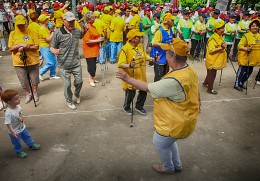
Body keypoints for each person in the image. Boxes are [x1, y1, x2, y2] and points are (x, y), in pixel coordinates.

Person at [116, 38, 199, 174]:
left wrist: (128, 79)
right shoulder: (189, 69)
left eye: (166, 52)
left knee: (160, 142)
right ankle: (177, 165)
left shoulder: (173, 80)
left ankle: (168, 167)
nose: (164, 53)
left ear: (172, 57)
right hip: (186, 117)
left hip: (174, 122)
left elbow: (148, 87)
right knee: (169, 142)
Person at [50, 12, 86, 110]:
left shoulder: (76, 31)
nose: (71, 23)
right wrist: (55, 51)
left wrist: (85, 30)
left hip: (76, 63)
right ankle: (69, 101)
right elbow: (51, 47)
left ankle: (77, 94)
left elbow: (81, 36)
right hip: (63, 64)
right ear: (64, 21)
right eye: (69, 21)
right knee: (67, 85)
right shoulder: (58, 33)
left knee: (79, 81)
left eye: (73, 21)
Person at [8, 14, 40, 103]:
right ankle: (27, 93)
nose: (21, 26)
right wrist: (20, 45)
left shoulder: (32, 31)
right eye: (18, 25)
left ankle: (34, 92)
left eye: (22, 24)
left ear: (25, 23)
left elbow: (37, 46)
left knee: (34, 79)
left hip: (32, 60)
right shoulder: (12, 33)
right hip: (19, 62)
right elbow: (10, 48)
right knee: (23, 80)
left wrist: (27, 47)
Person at [117, 29, 150, 116]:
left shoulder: (140, 46)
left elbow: (145, 56)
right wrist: (129, 65)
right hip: (131, 76)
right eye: (138, 37)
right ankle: (126, 107)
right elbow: (120, 64)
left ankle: (139, 107)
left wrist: (152, 59)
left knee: (144, 90)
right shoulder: (125, 49)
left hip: (141, 75)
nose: (140, 38)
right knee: (131, 93)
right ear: (132, 39)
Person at [1, 89, 40, 158]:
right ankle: (18, 151)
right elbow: (8, 124)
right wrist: (12, 132)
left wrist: (22, 121)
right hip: (15, 131)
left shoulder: (18, 107)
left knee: (27, 136)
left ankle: (31, 144)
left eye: (18, 98)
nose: (19, 100)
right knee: (17, 142)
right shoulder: (8, 113)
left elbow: (20, 114)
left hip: (22, 127)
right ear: (9, 102)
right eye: (16, 99)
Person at [234, 20, 260, 91]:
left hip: (253, 59)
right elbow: (239, 46)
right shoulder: (246, 36)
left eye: (256, 26)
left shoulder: (259, 36)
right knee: (241, 72)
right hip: (245, 58)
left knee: (249, 73)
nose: (255, 27)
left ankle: (241, 83)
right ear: (250, 27)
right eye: (253, 26)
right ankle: (237, 84)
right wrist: (246, 48)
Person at [203, 20, 227, 95]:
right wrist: (221, 47)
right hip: (212, 60)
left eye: (223, 27)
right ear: (216, 29)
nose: (223, 29)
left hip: (216, 60)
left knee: (210, 73)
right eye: (221, 28)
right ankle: (210, 89)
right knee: (212, 75)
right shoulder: (212, 39)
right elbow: (211, 50)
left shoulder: (220, 36)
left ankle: (205, 83)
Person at [83, 11, 104, 87]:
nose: (94, 18)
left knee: (92, 64)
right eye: (92, 17)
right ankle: (91, 79)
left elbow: (95, 36)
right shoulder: (86, 27)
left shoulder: (93, 26)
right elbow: (87, 41)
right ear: (88, 19)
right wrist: (98, 40)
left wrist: (100, 38)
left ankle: (91, 77)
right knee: (92, 66)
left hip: (95, 49)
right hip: (89, 50)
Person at [151, 13, 174, 82]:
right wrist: (164, 45)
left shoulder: (170, 29)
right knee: (159, 75)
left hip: (167, 56)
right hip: (159, 57)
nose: (173, 22)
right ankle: (155, 91)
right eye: (172, 20)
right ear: (167, 21)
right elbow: (153, 43)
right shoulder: (159, 31)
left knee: (166, 74)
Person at [38, 14, 60, 81]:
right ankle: (40, 72)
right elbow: (48, 39)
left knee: (54, 61)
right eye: (47, 19)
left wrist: (52, 30)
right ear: (44, 21)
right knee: (50, 62)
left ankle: (52, 75)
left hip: (49, 46)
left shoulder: (45, 28)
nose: (48, 20)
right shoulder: (42, 29)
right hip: (44, 47)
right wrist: (53, 32)